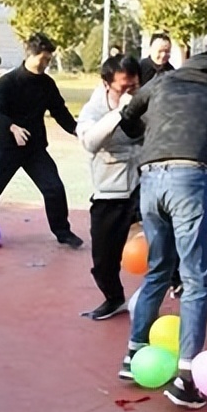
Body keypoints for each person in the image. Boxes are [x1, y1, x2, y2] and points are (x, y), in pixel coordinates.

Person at [117, 50, 207, 410]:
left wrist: (154, 135)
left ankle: (133, 355)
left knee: (158, 268)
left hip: (150, 178)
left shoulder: (162, 80)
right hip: (189, 177)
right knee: (195, 278)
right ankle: (186, 378)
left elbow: (128, 118)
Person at [0, 33, 83, 250]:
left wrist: (78, 130)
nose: (45, 64)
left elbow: (60, 112)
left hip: (35, 150)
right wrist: (12, 127)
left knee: (54, 188)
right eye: (43, 60)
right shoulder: (8, 82)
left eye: (49, 60)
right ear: (30, 55)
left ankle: (63, 232)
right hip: (7, 149)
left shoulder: (47, 84)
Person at [76, 55, 142, 320]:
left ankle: (176, 279)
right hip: (110, 192)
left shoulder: (145, 103)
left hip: (144, 186)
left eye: (135, 87)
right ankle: (114, 299)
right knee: (103, 261)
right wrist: (119, 112)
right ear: (106, 84)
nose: (130, 93)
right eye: (123, 88)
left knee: (166, 239)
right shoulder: (93, 110)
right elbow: (90, 142)